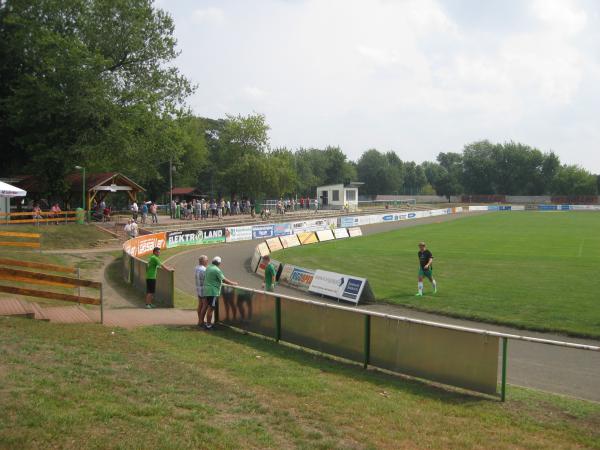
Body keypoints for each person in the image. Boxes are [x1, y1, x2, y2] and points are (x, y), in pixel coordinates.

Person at [202, 256, 238, 330]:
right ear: (219, 263)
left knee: (208, 307)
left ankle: (205, 323)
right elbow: (224, 280)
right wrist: (233, 283)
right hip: (213, 291)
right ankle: (208, 325)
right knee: (211, 308)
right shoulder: (217, 270)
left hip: (207, 290)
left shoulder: (208, 267)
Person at [195, 255, 209, 328]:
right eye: (206, 260)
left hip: (198, 288)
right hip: (203, 289)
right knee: (205, 305)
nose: (207, 262)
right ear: (203, 261)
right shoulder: (204, 269)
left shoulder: (196, 267)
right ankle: (201, 321)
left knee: (200, 304)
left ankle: (200, 320)